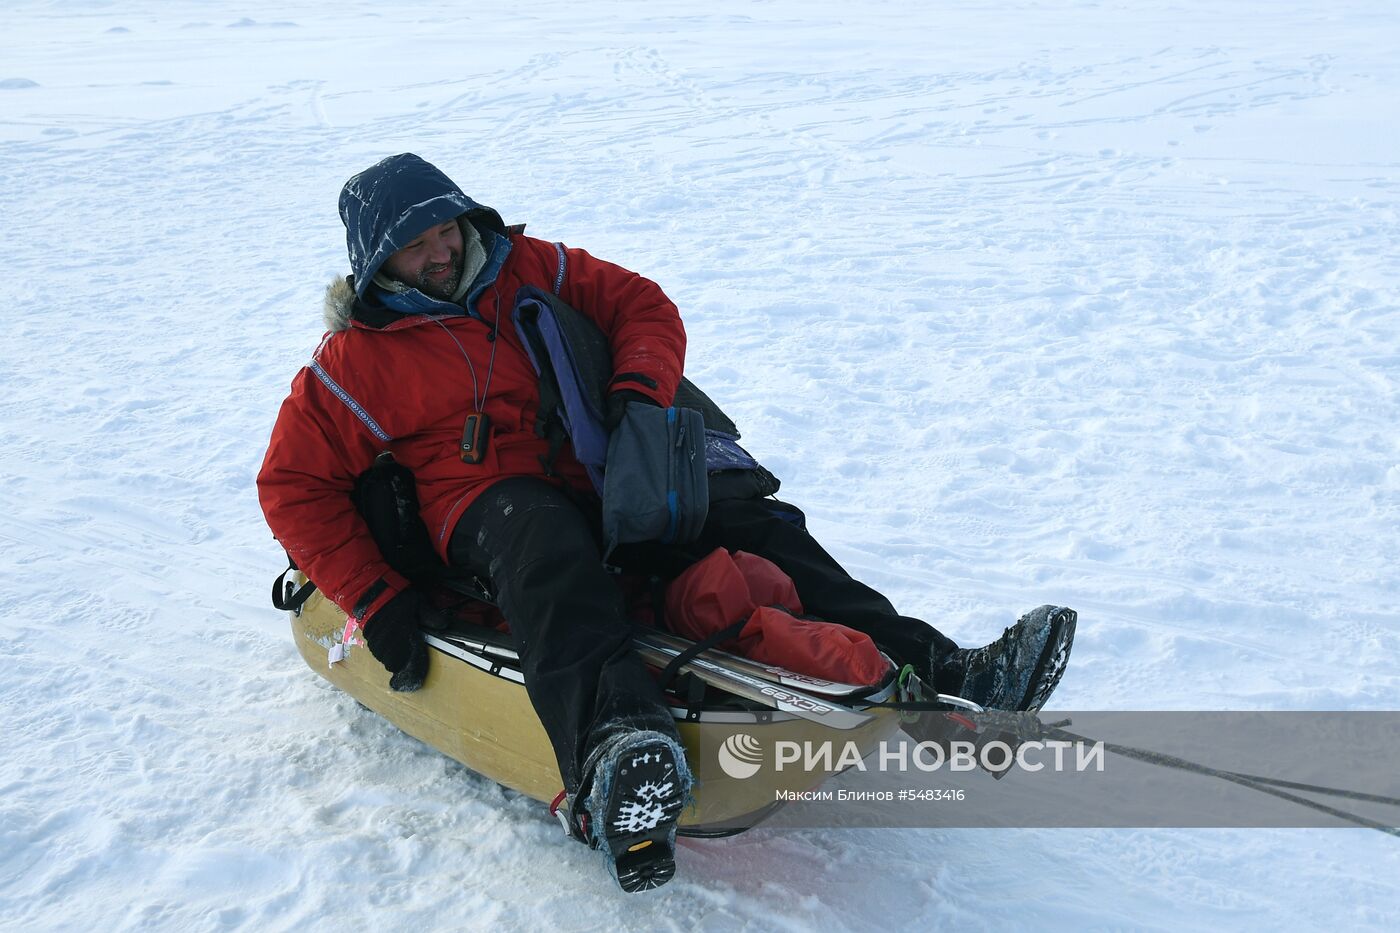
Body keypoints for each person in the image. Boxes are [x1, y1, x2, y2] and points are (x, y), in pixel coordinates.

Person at [257, 153, 1076, 892]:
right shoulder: (352, 365)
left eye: (445, 229)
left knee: (755, 523)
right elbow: (292, 483)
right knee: (546, 549)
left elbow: (642, 305)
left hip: (598, 466)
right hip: (485, 505)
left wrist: (639, 399)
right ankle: (616, 747)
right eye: (414, 245)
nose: (440, 252)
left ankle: (949, 670)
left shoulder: (530, 267)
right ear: (375, 263)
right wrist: (375, 595)